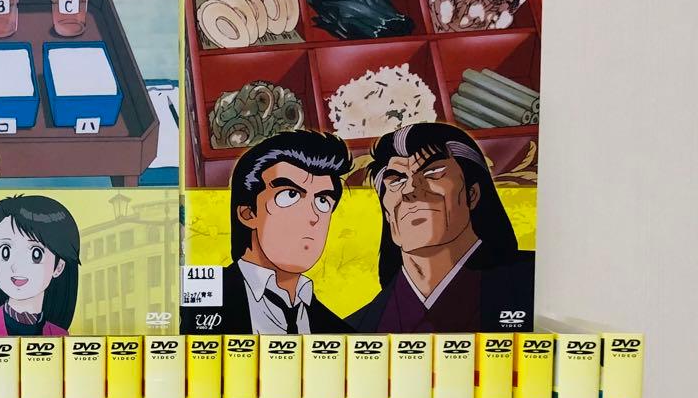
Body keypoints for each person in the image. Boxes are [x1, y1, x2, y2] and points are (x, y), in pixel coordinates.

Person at [349, 122, 534, 332]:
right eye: (396, 180)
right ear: (387, 213)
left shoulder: (535, 282)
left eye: (433, 172)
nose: (410, 189)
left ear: (472, 194)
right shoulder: (356, 328)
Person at [181, 130, 353, 334]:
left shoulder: (339, 331)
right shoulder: (193, 299)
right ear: (248, 213)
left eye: (322, 201)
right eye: (290, 195)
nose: (313, 215)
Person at [0, 195, 80, 337]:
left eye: (36, 254)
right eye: (5, 251)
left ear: (59, 267)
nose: (16, 266)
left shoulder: (60, 336)